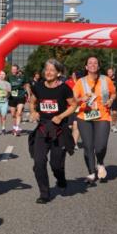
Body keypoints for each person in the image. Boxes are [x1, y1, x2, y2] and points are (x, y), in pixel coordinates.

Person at [28, 59, 77, 203]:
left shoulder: (64, 89)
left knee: (56, 165)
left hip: (59, 130)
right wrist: (33, 112)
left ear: (58, 73)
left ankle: (60, 178)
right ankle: (44, 194)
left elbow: (73, 105)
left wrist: (61, 116)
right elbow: (32, 102)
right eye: (47, 69)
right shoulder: (38, 87)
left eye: (52, 70)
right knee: (39, 162)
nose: (48, 72)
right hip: (43, 129)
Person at [73, 56, 117, 186]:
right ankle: (91, 172)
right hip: (84, 116)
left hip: (102, 115)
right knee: (88, 146)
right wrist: (81, 99)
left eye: (95, 63)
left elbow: (113, 93)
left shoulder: (106, 80)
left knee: (100, 146)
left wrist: (111, 100)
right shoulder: (80, 82)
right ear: (86, 67)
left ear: (98, 66)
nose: (93, 64)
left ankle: (100, 162)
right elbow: (73, 100)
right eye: (90, 63)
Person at [7, 63, 29, 134]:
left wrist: (28, 94)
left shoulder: (22, 77)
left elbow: (27, 85)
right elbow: (6, 85)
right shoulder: (9, 77)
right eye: (12, 69)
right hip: (12, 97)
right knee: (13, 114)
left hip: (21, 96)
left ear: (17, 70)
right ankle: (15, 126)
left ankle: (17, 128)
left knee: (19, 113)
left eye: (15, 69)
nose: (13, 70)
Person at [106, 67, 117, 132]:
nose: (109, 73)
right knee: (106, 112)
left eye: (110, 72)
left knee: (114, 112)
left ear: (113, 72)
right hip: (106, 98)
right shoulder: (105, 79)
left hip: (115, 98)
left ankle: (113, 125)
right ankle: (106, 125)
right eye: (108, 72)